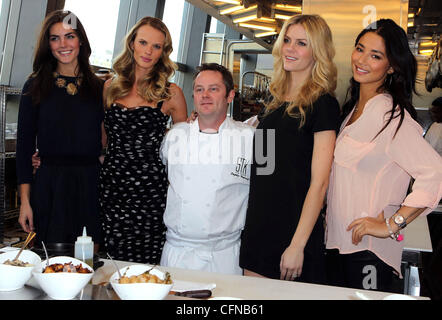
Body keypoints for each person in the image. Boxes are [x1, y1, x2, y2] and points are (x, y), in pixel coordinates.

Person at [325, 19, 442, 292]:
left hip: (368, 252)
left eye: (375, 56)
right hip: (338, 245)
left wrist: (391, 224)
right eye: (360, 49)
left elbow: (435, 173)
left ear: (391, 66)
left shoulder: (390, 115)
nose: (362, 60)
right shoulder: (354, 110)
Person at [239, 14, 340, 284]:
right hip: (259, 226)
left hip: (294, 232)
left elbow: (319, 185)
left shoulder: (323, 105)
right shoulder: (273, 100)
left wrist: (297, 246)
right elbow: (266, 165)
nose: (290, 49)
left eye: (301, 43)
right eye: (287, 40)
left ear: (317, 52)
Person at [100, 17, 187, 263]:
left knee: (146, 265)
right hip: (111, 189)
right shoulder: (109, 87)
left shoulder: (171, 93)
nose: (148, 51)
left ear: (163, 52)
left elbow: (182, 151)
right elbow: (101, 139)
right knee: (111, 263)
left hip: (150, 193)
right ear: (132, 44)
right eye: (143, 42)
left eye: (157, 46)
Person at [16, 10, 104, 246]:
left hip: (90, 186)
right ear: (48, 44)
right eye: (55, 38)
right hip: (49, 186)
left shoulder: (100, 88)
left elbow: (112, 137)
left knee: (89, 264)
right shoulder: (34, 85)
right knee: (50, 265)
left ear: (81, 40)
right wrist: (25, 202)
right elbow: (24, 149)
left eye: (70, 36)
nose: (63, 44)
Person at [159, 63, 255, 275]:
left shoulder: (252, 138)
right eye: (199, 89)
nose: (205, 95)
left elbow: (268, 198)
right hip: (176, 253)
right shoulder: (174, 136)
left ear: (230, 96)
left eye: (214, 89)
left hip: (224, 256)